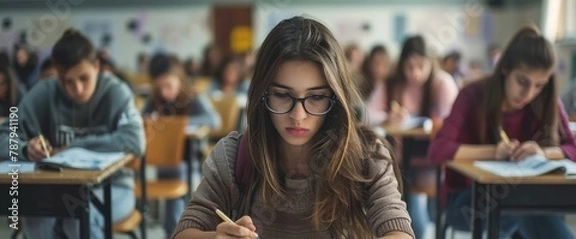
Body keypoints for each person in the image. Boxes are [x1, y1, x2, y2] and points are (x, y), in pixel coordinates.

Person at [173, 16, 414, 239]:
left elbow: (399, 229)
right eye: (281, 95)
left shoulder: (367, 154)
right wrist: (215, 237)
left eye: (316, 97)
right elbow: (185, 231)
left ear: (336, 99)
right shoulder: (234, 156)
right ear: (262, 94)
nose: (298, 115)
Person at [428, 26, 576, 239]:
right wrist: (494, 152)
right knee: (523, 202)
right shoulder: (472, 95)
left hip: (521, 201)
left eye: (539, 85)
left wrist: (542, 152)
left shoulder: (546, 101)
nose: (529, 94)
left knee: (532, 203)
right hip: (466, 201)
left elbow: (574, 149)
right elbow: (438, 150)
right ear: (505, 68)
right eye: (522, 82)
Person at [0, 29, 145, 239]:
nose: (77, 89)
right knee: (35, 218)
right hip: (54, 189)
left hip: (114, 187)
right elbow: (3, 136)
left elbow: (135, 141)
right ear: (59, 75)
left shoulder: (116, 92)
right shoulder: (44, 92)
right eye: (68, 81)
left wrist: (74, 146)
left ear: (97, 67)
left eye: (84, 78)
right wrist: (24, 148)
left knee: (77, 218)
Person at [385, 35, 458, 239]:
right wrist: (389, 116)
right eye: (409, 67)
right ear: (401, 66)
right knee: (410, 206)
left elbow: (451, 123)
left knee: (430, 211)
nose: (415, 73)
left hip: (436, 160)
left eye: (421, 66)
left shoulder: (442, 82)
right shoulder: (394, 84)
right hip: (404, 158)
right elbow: (368, 113)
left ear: (431, 63)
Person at [141, 52, 220, 237]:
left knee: (175, 175)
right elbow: (142, 121)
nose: (164, 92)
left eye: (168, 86)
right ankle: (173, 230)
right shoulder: (155, 100)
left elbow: (214, 120)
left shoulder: (192, 97)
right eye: (159, 87)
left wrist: (180, 125)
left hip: (191, 163)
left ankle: (174, 231)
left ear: (179, 80)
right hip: (164, 163)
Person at [359, 45, 393, 126]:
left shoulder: (391, 87)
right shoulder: (364, 84)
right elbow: (363, 114)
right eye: (376, 63)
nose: (379, 68)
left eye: (383, 63)